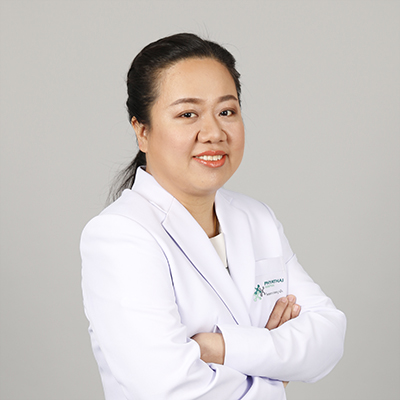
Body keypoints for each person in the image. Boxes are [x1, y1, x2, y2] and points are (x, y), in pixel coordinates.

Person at [80, 33, 346, 400]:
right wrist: (275, 374)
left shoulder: (257, 218)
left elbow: (328, 337)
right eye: (187, 114)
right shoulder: (120, 234)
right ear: (142, 131)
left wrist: (220, 348)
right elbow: (169, 388)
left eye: (226, 112)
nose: (213, 133)